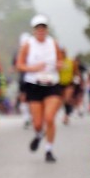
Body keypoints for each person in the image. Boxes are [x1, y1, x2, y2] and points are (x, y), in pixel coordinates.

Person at [15, 14, 63, 163]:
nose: (41, 31)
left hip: (51, 84)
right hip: (34, 84)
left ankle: (49, 149)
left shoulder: (53, 43)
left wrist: (58, 65)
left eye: (43, 28)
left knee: (49, 118)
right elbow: (19, 65)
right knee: (37, 123)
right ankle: (38, 134)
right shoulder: (28, 45)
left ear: (47, 29)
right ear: (34, 30)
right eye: (38, 28)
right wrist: (34, 68)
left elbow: (60, 61)